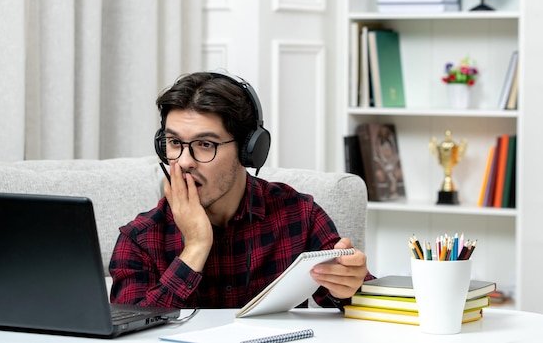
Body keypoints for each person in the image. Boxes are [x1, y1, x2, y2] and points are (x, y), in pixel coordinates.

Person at [109, 71, 373, 309]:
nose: (184, 161)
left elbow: (361, 303)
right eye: (174, 142)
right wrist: (195, 247)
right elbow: (132, 331)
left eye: (204, 144)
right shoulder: (140, 239)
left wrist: (349, 286)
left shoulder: (299, 215)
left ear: (248, 150)